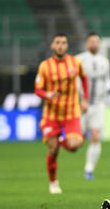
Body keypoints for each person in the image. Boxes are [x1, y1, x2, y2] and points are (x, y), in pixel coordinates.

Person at [35, 33, 89, 194]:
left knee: (74, 146)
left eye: (63, 42)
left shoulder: (75, 62)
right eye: (57, 42)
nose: (60, 45)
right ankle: (53, 182)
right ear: (52, 46)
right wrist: (47, 94)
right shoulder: (45, 66)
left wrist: (85, 99)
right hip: (51, 115)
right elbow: (38, 89)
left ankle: (59, 137)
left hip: (71, 113)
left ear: (67, 46)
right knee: (53, 149)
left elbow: (84, 79)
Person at [77, 32, 110, 180]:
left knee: (95, 137)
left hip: (98, 105)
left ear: (99, 44)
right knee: (77, 141)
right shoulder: (79, 60)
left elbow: (106, 80)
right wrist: (80, 99)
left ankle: (89, 169)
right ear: (87, 44)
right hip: (82, 104)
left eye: (97, 41)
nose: (94, 44)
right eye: (92, 41)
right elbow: (74, 81)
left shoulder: (104, 61)